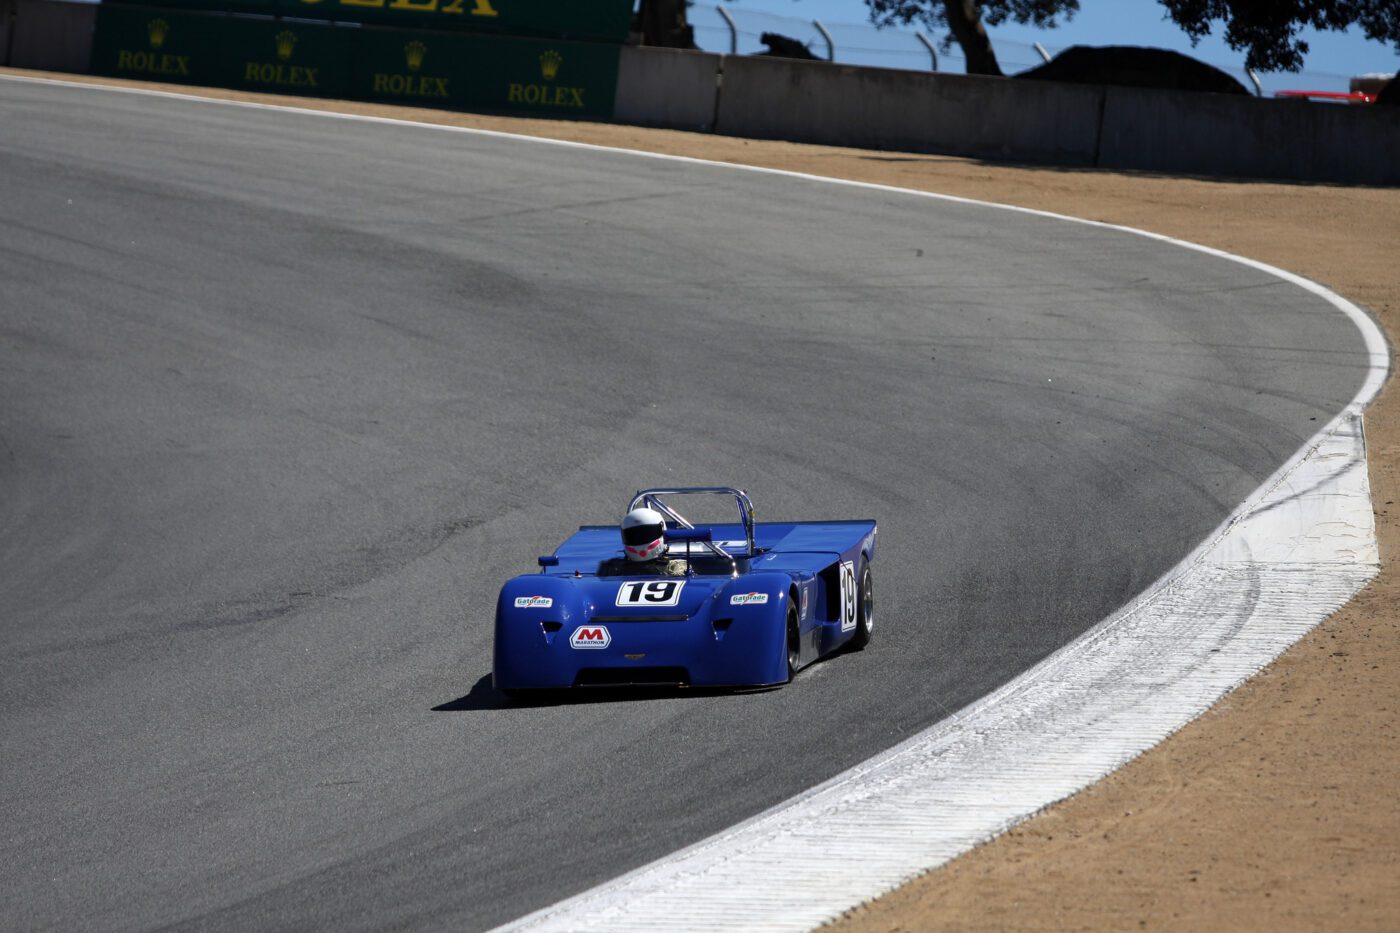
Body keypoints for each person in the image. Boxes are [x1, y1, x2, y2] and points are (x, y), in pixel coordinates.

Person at [597, 507, 688, 576]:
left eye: (647, 534)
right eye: (633, 536)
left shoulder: (677, 568)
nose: (640, 539)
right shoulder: (612, 568)